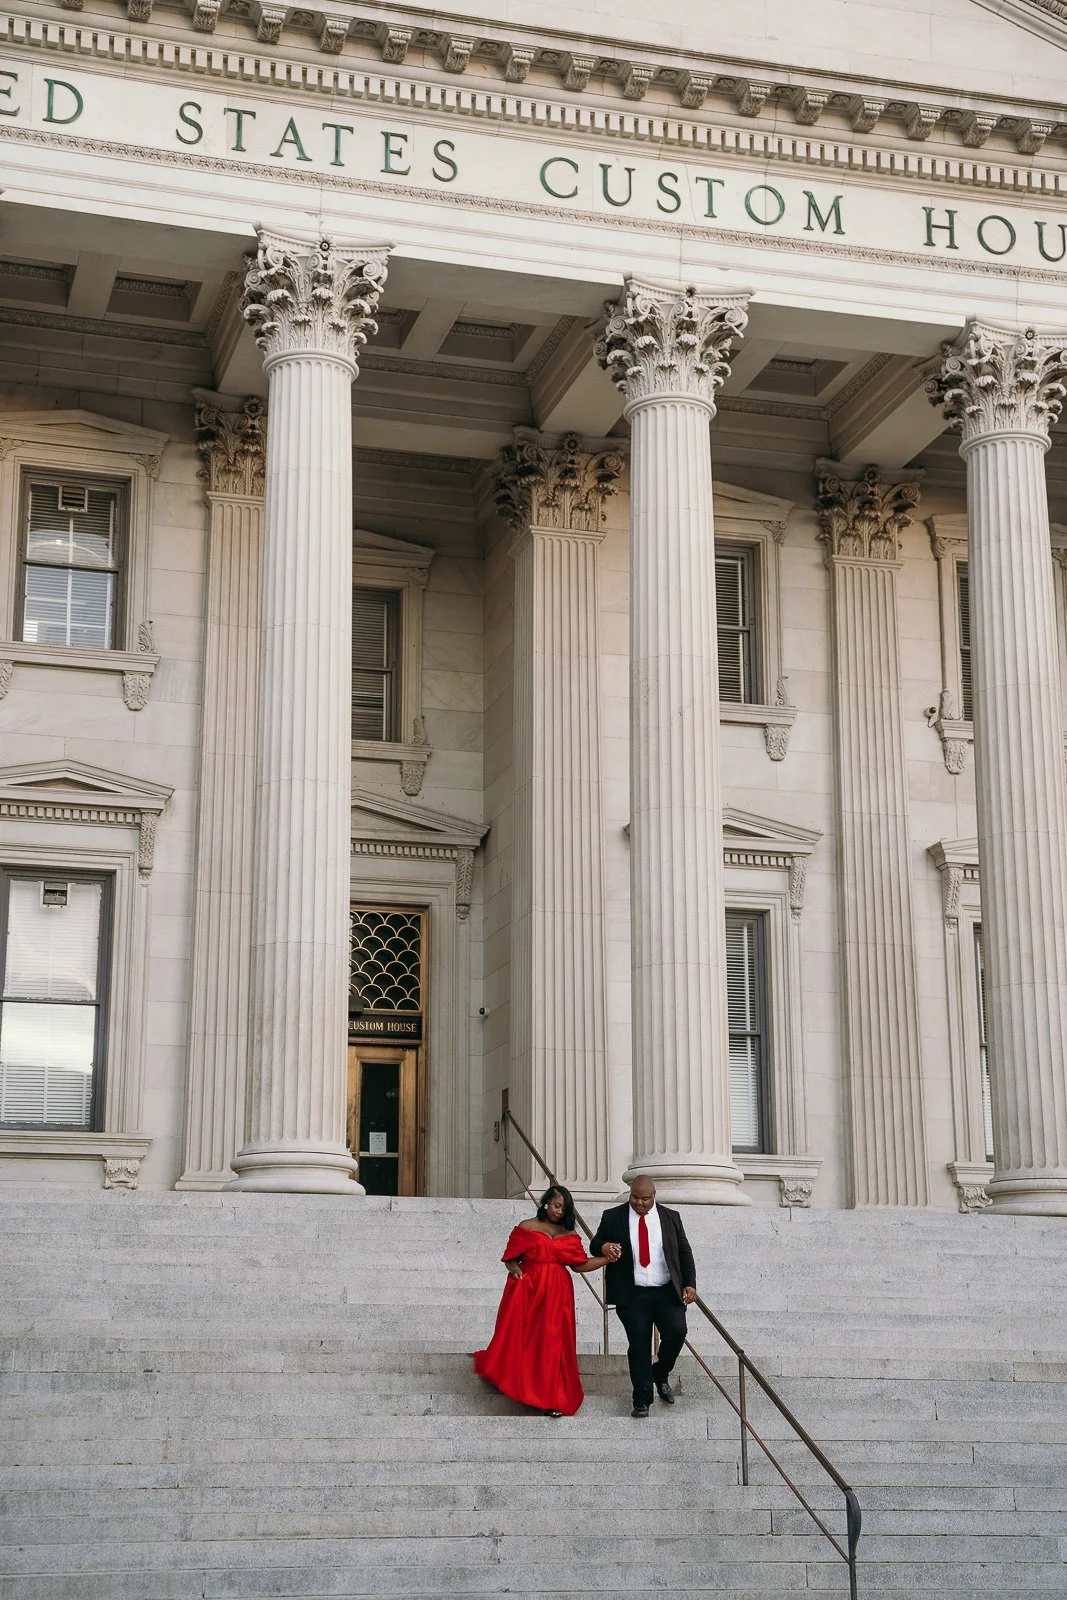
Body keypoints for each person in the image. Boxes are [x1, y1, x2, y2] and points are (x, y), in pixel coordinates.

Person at [474, 1184, 622, 1417]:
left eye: (564, 1208)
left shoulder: (569, 1234)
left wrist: (605, 1259)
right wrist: (514, 1270)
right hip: (531, 1289)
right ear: (545, 1202)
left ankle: (552, 1399)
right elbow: (511, 1259)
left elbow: (579, 1265)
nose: (559, 1211)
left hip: (558, 1294)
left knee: (553, 1344)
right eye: (556, 1205)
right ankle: (523, 1384)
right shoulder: (527, 1226)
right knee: (530, 1340)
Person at [589, 1174, 697, 1418]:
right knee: (638, 1345)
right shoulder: (613, 1216)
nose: (639, 1203)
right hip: (632, 1294)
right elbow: (595, 1244)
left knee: (678, 1331)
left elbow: (683, 1251)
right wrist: (604, 1247)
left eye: (645, 1199)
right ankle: (642, 1400)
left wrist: (689, 1283)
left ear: (654, 1197)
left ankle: (660, 1372)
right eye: (635, 1198)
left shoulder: (671, 1217)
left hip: (666, 1291)